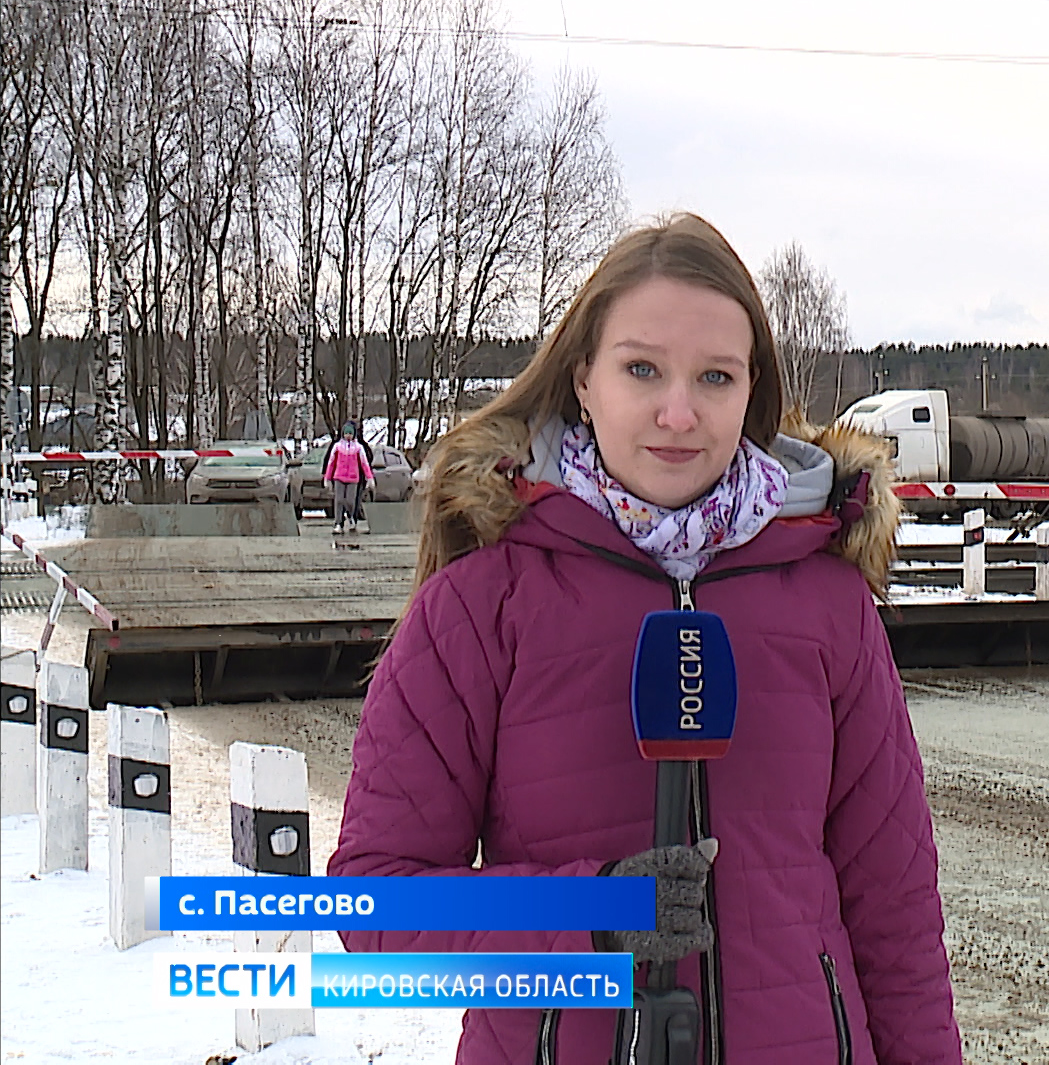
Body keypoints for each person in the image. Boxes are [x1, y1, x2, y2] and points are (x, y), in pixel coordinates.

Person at [328, 213, 962, 1064]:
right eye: (642, 369)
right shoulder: (481, 606)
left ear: (751, 394)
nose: (678, 412)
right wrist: (590, 918)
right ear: (583, 379)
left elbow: (897, 914)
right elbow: (375, 908)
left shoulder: (829, 605)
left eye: (715, 377)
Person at [324, 421, 374, 534]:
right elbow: (331, 463)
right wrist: (327, 478)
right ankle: (338, 523)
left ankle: (351, 517)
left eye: (350, 433)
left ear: (354, 434)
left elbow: (364, 464)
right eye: (346, 433)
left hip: (353, 478)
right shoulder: (337, 447)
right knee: (339, 500)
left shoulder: (358, 448)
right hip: (339, 477)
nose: (348, 436)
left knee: (350, 501)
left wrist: (369, 477)